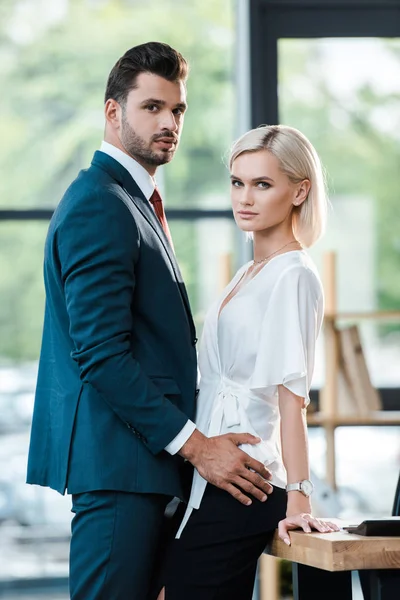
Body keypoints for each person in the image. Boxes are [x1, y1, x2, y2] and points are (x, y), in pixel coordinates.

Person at [26, 42, 274, 600]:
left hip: (147, 469)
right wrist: (198, 447)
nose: (169, 123)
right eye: (152, 108)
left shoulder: (133, 200)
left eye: (178, 110)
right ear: (113, 112)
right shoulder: (100, 203)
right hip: (121, 473)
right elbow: (103, 355)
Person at [158, 125, 340, 600]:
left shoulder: (294, 274)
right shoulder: (247, 272)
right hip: (208, 471)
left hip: (248, 480)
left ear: (299, 191)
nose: (245, 197)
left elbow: (292, 396)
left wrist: (299, 495)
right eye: (238, 182)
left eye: (263, 184)